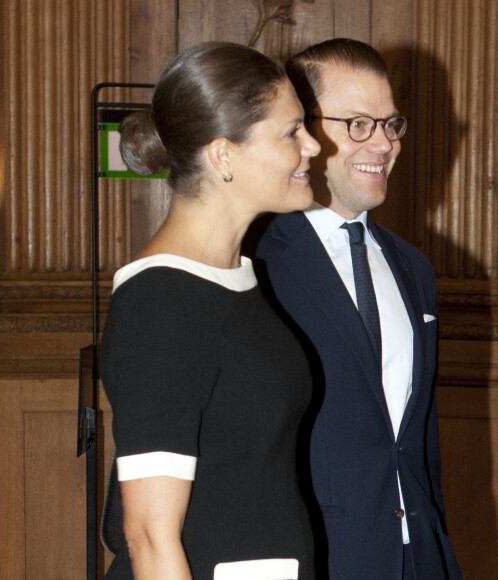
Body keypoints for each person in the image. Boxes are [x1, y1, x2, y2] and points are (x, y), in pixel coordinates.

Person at [99, 41, 320, 580]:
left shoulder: (237, 280)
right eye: (292, 131)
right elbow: (149, 537)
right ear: (224, 155)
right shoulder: (160, 301)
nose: (313, 146)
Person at [253, 38, 462, 579]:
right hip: (317, 558)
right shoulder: (256, 263)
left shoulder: (413, 269)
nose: (384, 144)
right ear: (304, 130)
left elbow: (419, 440)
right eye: (359, 124)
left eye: (391, 124)